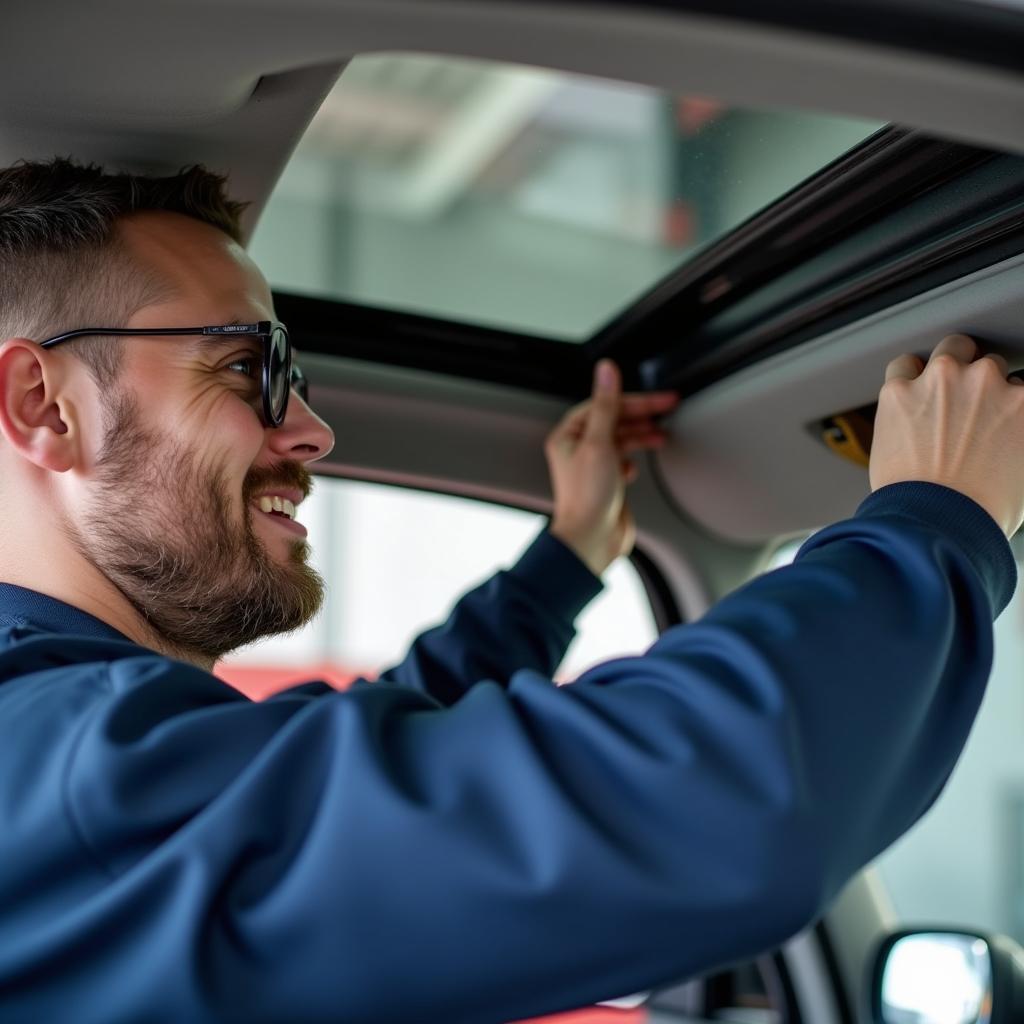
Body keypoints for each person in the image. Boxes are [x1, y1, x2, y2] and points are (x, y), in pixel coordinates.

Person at [0, 158, 1019, 1024]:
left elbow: (374, 779)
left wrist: (570, 553)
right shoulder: (70, 768)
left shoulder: (65, 765)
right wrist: (932, 519)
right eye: (246, 367)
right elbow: (706, 804)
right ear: (42, 405)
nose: (310, 428)